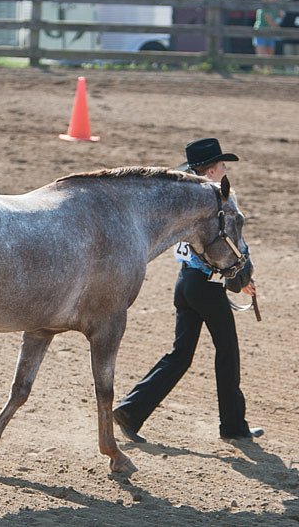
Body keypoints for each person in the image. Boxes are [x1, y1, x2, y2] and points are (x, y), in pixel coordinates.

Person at [113, 138, 263, 443]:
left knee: (180, 355)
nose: (224, 170)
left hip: (186, 283)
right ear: (209, 172)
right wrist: (237, 279)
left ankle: (131, 410)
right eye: (221, 166)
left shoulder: (186, 203)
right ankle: (233, 427)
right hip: (205, 285)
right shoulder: (208, 205)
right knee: (227, 353)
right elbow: (213, 252)